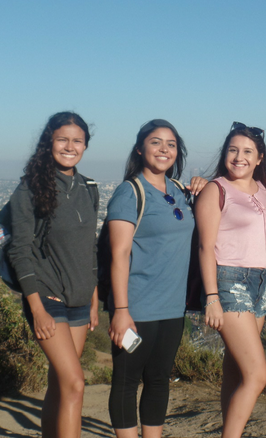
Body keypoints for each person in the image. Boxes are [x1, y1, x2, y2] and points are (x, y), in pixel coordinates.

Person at [8, 111, 99, 438]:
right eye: (63, 139)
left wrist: (93, 297)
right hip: (46, 298)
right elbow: (19, 251)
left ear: (86, 146)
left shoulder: (88, 188)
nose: (70, 146)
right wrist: (36, 308)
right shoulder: (30, 188)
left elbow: (90, 247)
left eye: (77, 140)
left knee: (60, 385)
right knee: (74, 383)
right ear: (49, 142)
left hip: (79, 297)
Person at [106, 119, 194, 438]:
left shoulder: (181, 191)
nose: (164, 149)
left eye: (171, 144)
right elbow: (118, 255)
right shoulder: (130, 192)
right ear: (141, 148)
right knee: (127, 381)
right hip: (137, 308)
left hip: (173, 308)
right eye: (156, 142)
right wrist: (121, 310)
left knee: (159, 379)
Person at [195, 122, 266, 438]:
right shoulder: (216, 189)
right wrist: (212, 296)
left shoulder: (265, 189)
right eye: (233, 150)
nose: (239, 157)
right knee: (257, 375)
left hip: (261, 283)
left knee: (236, 369)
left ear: (259, 157)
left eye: (247, 151)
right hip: (230, 281)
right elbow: (205, 247)